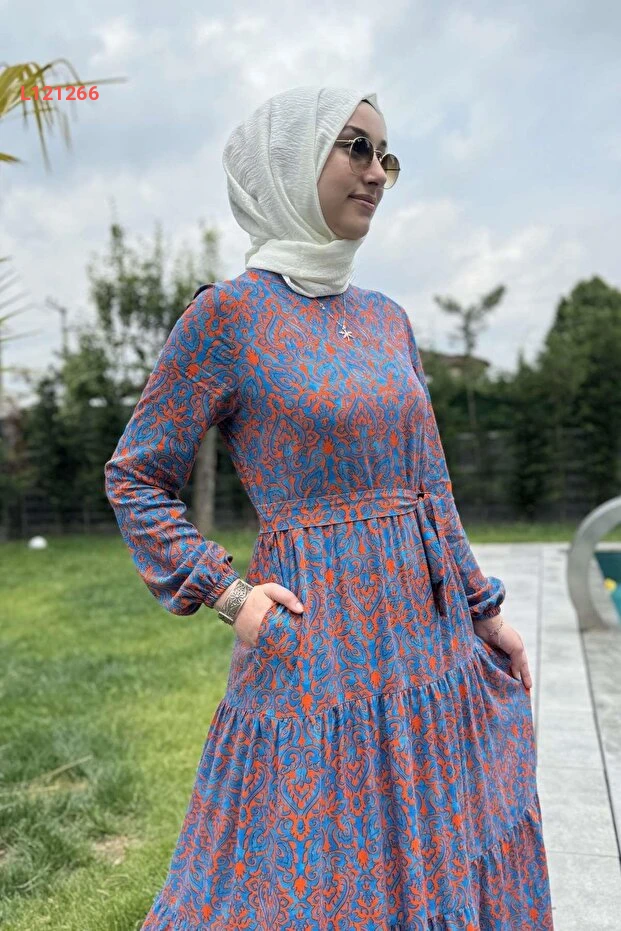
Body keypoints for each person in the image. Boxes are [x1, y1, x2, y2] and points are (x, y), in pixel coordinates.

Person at [104, 85, 554, 930]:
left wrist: (484, 609)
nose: (376, 172)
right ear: (287, 161)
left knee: (429, 850)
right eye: (354, 147)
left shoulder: (387, 320)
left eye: (386, 156)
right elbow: (136, 476)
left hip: (425, 641)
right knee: (313, 870)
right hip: (317, 643)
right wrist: (228, 594)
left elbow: (430, 484)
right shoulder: (226, 318)